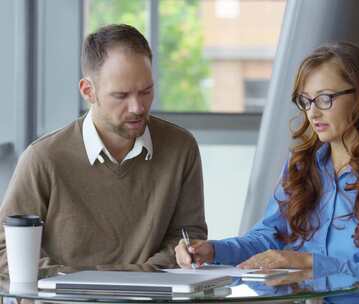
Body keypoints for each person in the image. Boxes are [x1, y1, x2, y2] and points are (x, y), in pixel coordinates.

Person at [176, 42, 359, 303]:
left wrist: (309, 264)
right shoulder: (301, 166)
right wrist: (213, 250)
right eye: (306, 101)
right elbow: (267, 238)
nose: (313, 112)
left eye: (325, 98)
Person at [0, 24, 207, 270]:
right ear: (88, 91)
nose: (137, 107)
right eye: (121, 96)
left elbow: (187, 238)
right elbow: (6, 249)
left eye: (146, 91)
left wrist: (122, 284)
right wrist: (82, 286)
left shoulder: (181, 148)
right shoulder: (44, 158)